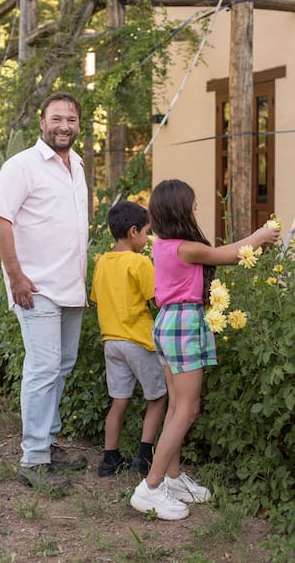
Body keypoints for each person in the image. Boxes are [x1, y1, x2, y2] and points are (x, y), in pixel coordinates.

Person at [130, 179, 280, 521]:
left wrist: (254, 241)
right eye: (192, 205)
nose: (196, 209)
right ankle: (150, 488)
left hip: (169, 322)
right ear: (179, 210)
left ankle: (172, 478)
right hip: (182, 323)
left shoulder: (163, 244)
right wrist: (257, 237)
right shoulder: (185, 247)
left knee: (175, 408)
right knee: (188, 408)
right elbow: (226, 255)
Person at [0, 91, 88, 491]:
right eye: (57, 119)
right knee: (43, 369)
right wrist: (16, 277)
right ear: (42, 121)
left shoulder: (78, 164)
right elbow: (0, 221)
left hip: (71, 286)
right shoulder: (22, 166)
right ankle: (33, 459)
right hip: (36, 287)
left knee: (61, 367)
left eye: (72, 120)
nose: (64, 126)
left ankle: (47, 442)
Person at [90, 201, 167, 477]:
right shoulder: (139, 262)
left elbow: (97, 299)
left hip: (111, 341)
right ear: (133, 231)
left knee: (119, 400)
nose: (147, 240)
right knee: (157, 398)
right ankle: (143, 457)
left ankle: (109, 458)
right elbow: (157, 298)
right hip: (138, 340)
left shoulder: (102, 263)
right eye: (146, 233)